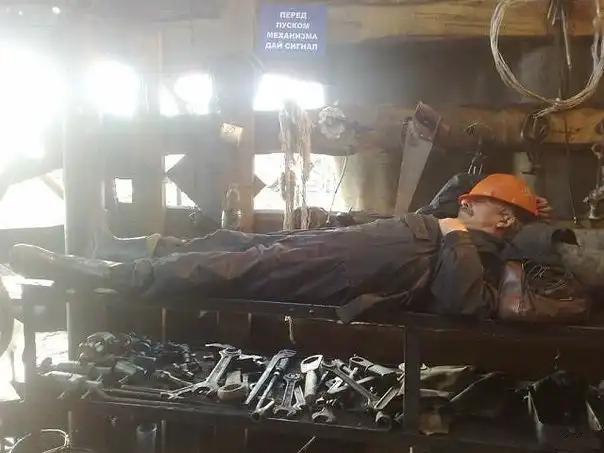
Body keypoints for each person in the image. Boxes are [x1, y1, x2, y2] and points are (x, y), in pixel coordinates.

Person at [8, 173, 570, 323]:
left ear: (500, 217)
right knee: (233, 241)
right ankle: (121, 252)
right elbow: (446, 204)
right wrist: (461, 208)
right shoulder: (452, 224)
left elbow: (463, 302)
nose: (463, 207)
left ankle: (103, 274)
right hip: (340, 245)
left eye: (476, 204)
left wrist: (464, 233)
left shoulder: (477, 250)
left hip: (348, 269)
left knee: (234, 265)